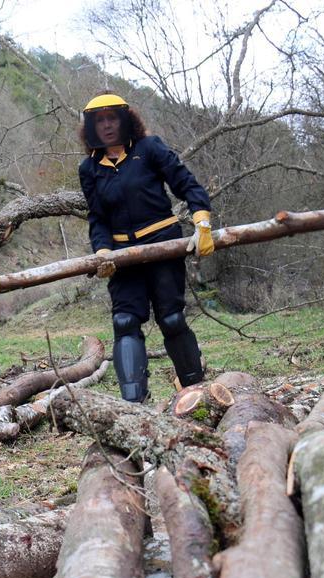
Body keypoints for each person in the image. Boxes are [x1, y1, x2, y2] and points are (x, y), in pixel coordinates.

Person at [78, 92, 214, 403]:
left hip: (163, 244)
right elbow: (98, 218)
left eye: (112, 118)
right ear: (91, 127)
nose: (107, 126)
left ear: (126, 120)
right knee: (124, 322)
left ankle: (196, 397)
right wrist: (102, 252)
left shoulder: (149, 148)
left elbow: (186, 184)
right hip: (122, 256)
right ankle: (133, 407)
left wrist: (202, 222)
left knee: (171, 319)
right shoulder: (89, 169)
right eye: (100, 121)